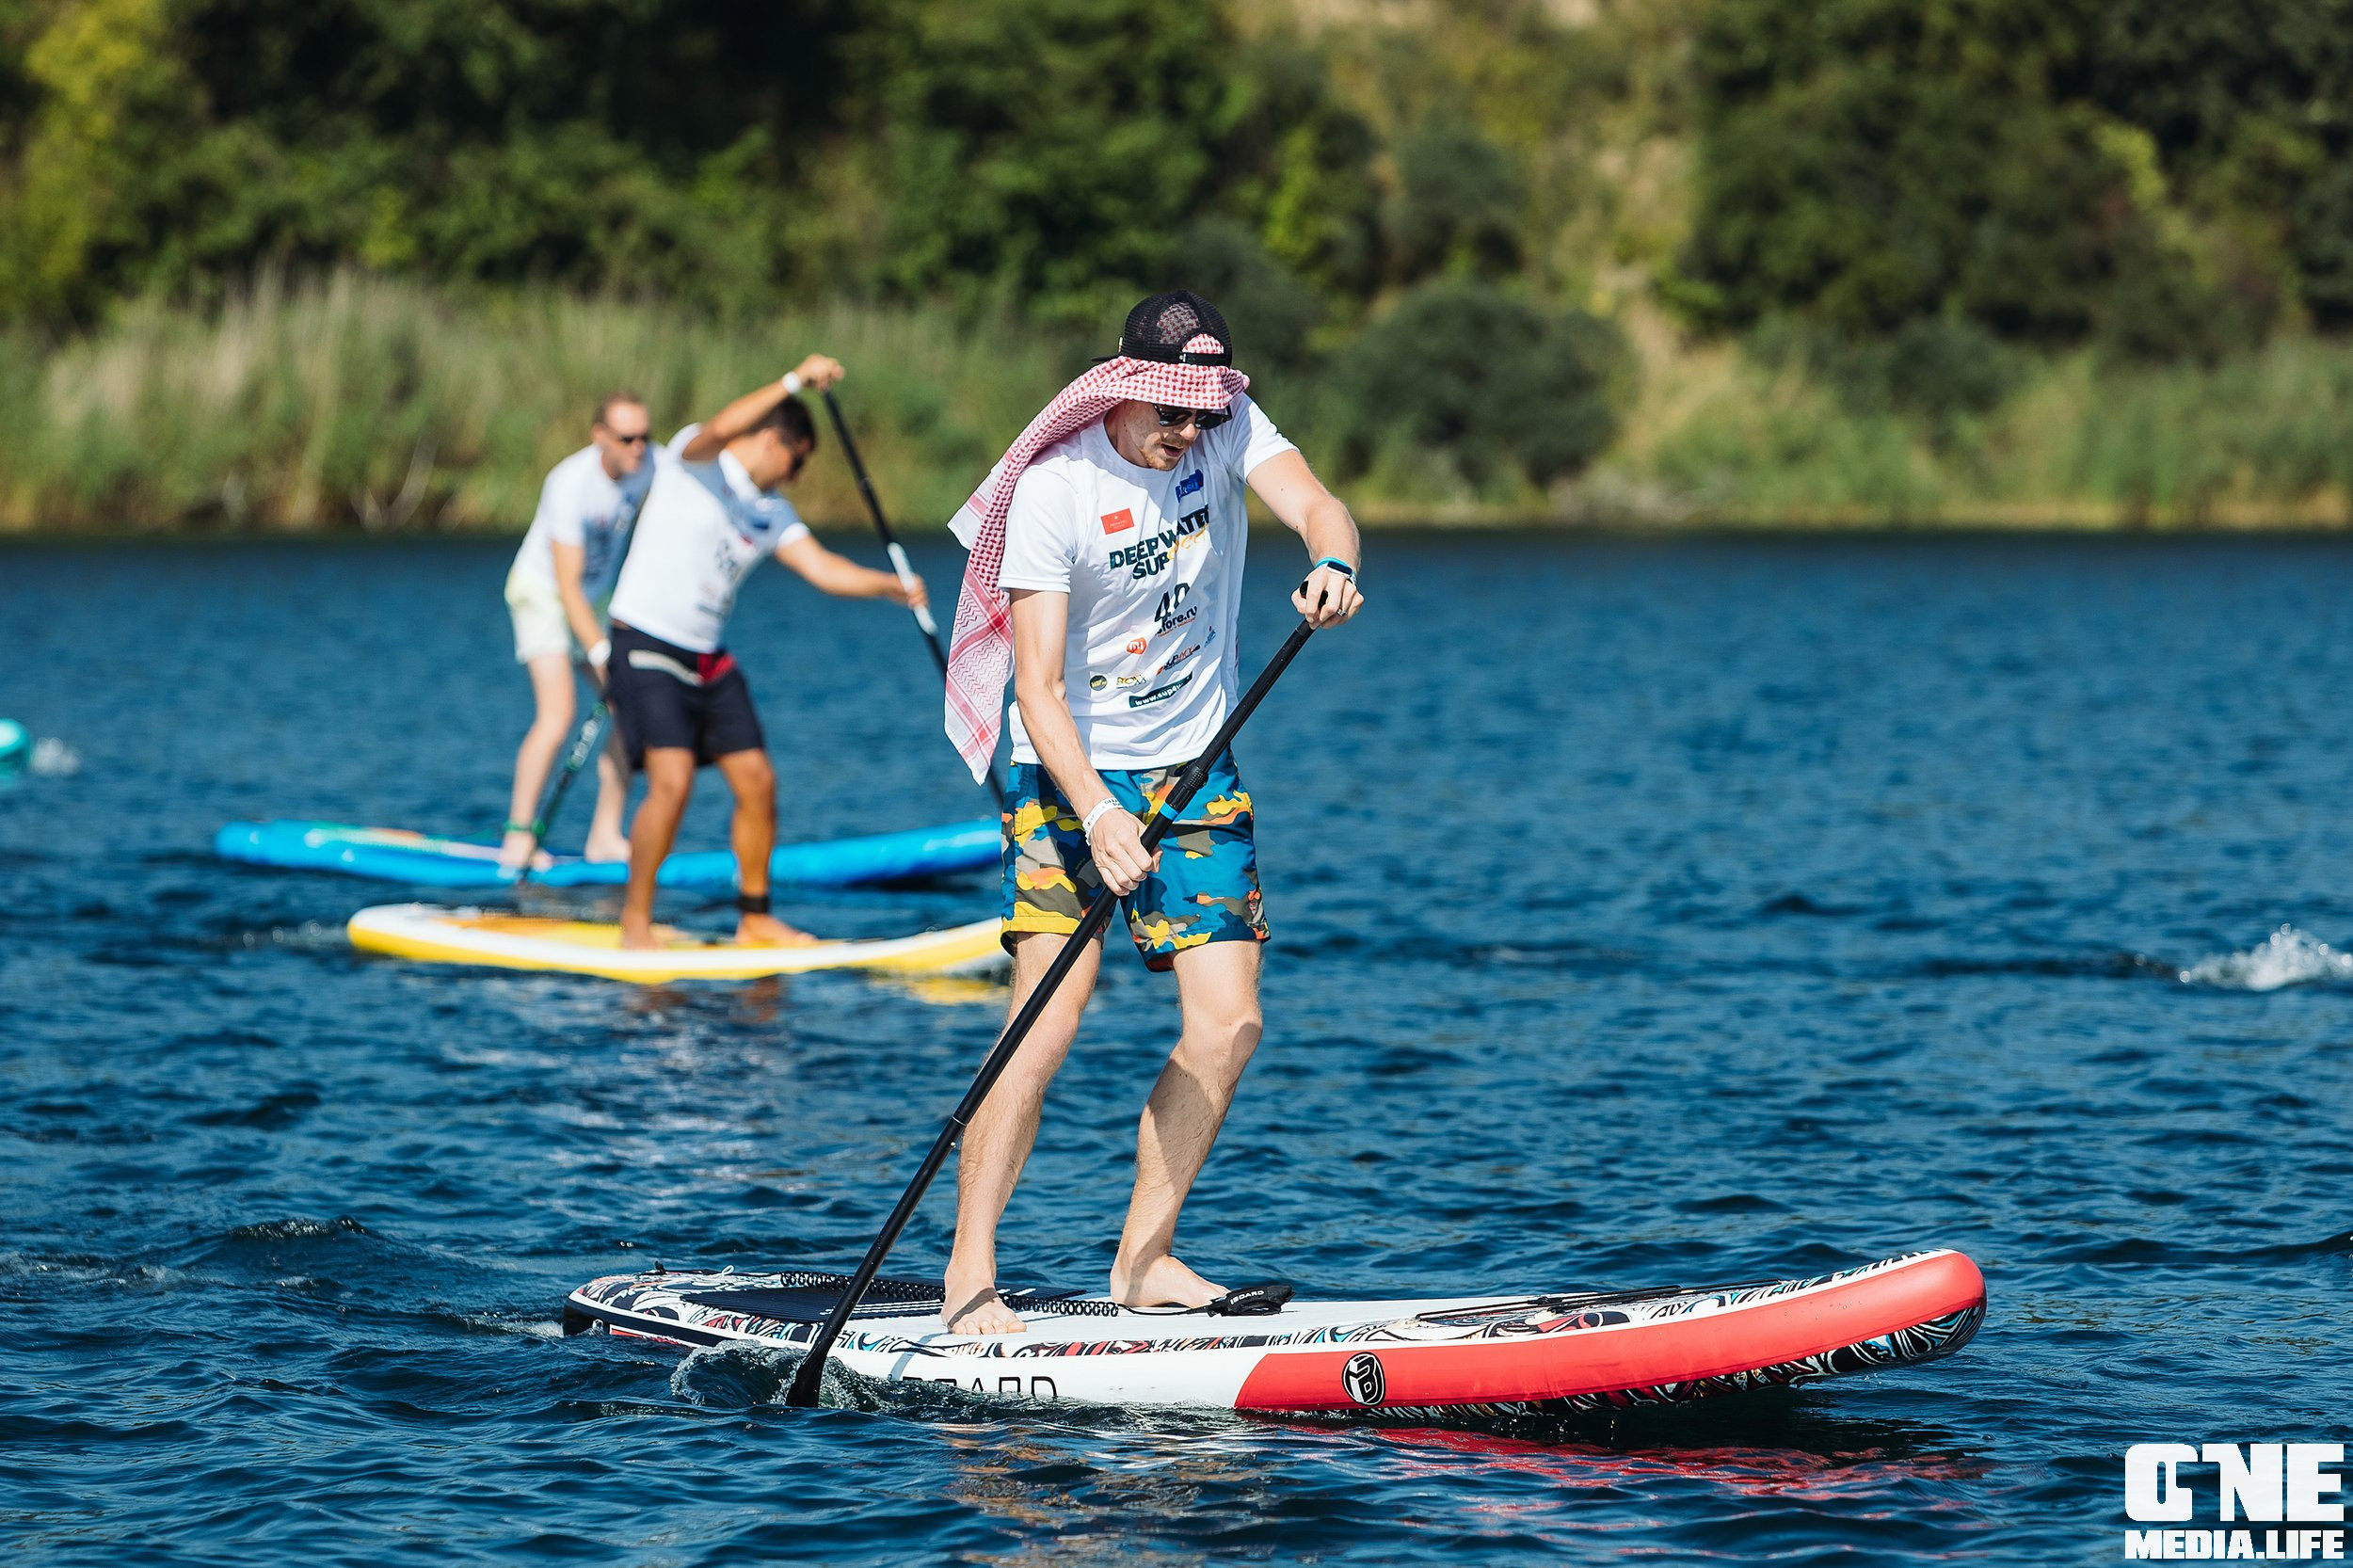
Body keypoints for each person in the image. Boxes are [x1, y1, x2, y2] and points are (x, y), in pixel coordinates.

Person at [936, 291, 1365, 1334]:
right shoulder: (1057, 489)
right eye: (1172, 411)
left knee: (1231, 1024)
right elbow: (1037, 690)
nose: (1189, 431)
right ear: (1123, 387)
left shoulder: (1224, 425)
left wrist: (1334, 561)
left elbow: (1319, 505)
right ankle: (969, 1273)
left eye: (1205, 413)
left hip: (1196, 766)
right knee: (1045, 1019)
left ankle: (1143, 1261)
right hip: (1069, 775)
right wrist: (1096, 814)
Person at [602, 356, 928, 951]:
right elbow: (723, 426)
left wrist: (889, 586)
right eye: (797, 461)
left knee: (757, 781)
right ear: (775, 441)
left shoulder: (773, 512)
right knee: (672, 782)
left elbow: (822, 568)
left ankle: (754, 918)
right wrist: (795, 380)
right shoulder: (696, 460)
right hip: (644, 640)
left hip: (706, 655)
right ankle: (635, 922)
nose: (796, 476)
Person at [500, 392, 655, 872]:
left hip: (593, 597)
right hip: (544, 594)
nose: (638, 447)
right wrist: (603, 653)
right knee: (558, 714)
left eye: (645, 437)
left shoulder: (649, 466)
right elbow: (566, 587)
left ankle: (605, 836)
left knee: (634, 710)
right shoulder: (569, 483)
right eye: (626, 438)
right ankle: (518, 837)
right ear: (599, 437)